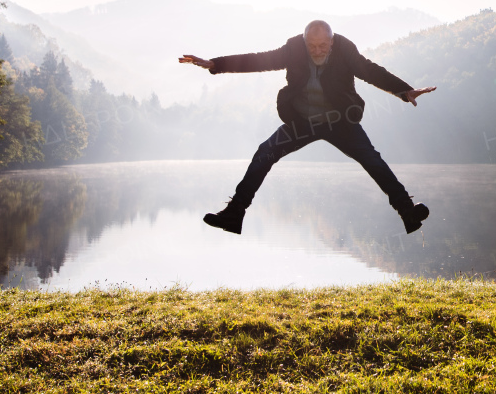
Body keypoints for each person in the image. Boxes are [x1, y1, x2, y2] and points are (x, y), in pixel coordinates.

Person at [179, 20, 436, 235]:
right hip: (302, 122)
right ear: (304, 43)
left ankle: (408, 213)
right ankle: (233, 215)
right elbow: (259, 60)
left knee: (373, 161)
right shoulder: (293, 48)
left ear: (332, 42)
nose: (317, 50)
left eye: (323, 45)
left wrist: (404, 90)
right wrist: (216, 64)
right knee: (264, 154)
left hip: (340, 121)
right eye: (312, 46)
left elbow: (369, 70)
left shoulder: (345, 49)